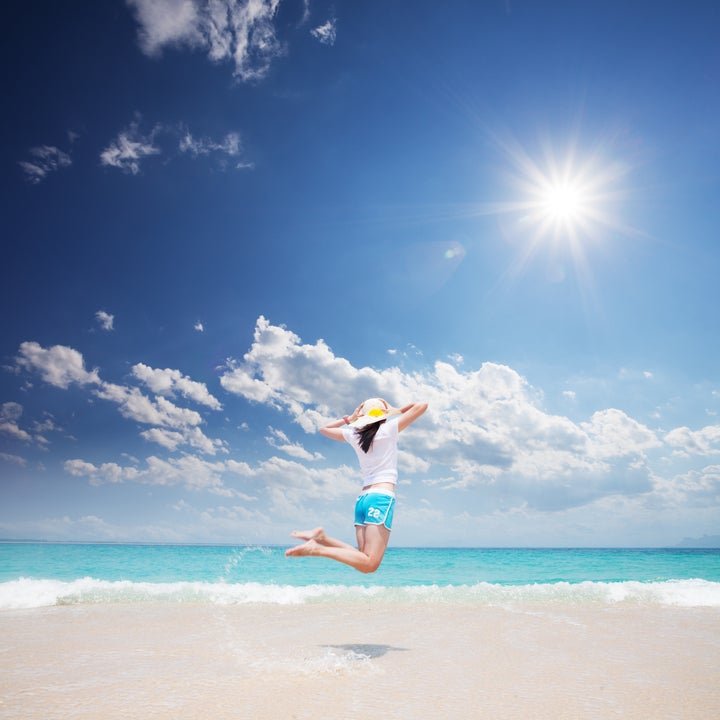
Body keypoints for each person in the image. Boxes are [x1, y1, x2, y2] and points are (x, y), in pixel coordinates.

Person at [285, 397, 428, 573]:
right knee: (369, 564)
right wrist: (395, 410)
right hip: (380, 498)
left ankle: (322, 539)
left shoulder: (354, 435)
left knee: (362, 558)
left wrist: (350, 419)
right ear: (383, 416)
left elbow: (324, 429)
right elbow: (422, 405)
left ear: (363, 417)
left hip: (363, 499)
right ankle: (317, 549)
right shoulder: (388, 429)